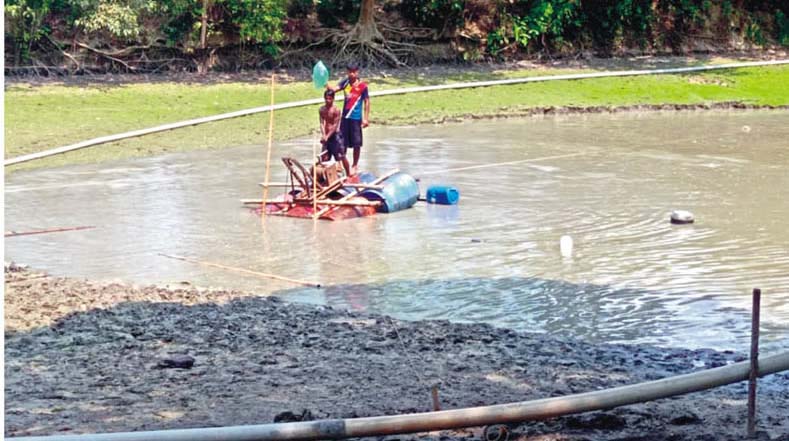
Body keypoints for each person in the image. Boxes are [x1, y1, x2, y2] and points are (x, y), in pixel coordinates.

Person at [329, 63, 370, 175]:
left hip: (356, 118)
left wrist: (366, 118)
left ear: (357, 72)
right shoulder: (345, 82)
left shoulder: (363, 86)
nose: (352, 74)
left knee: (357, 143)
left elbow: (367, 102)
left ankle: (355, 165)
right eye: (349, 71)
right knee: (343, 143)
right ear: (347, 72)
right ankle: (341, 163)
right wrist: (326, 84)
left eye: (354, 71)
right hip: (345, 118)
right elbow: (334, 89)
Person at [319, 89, 351, 177]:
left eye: (329, 99)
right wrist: (323, 135)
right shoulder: (322, 109)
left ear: (333, 99)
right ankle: (325, 178)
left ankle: (349, 174)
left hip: (335, 136)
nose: (327, 101)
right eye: (326, 98)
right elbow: (321, 123)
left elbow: (335, 125)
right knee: (324, 158)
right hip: (326, 137)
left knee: (341, 156)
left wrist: (327, 136)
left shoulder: (336, 110)